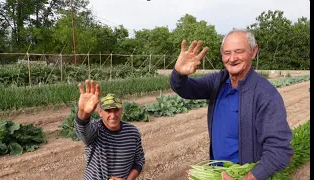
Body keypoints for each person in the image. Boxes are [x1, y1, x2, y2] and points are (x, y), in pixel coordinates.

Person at [170, 29, 294, 180]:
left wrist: (247, 178)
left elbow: (281, 151)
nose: (232, 58)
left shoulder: (265, 94)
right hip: (217, 174)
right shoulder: (218, 82)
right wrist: (179, 73)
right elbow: (185, 89)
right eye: (227, 53)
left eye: (239, 51)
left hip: (244, 175)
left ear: (253, 52)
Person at [74, 80, 145, 180]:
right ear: (100, 112)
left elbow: (139, 160)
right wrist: (83, 113)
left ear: (122, 110)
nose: (113, 115)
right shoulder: (95, 129)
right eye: (108, 111)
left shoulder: (132, 133)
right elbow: (83, 132)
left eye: (116, 110)